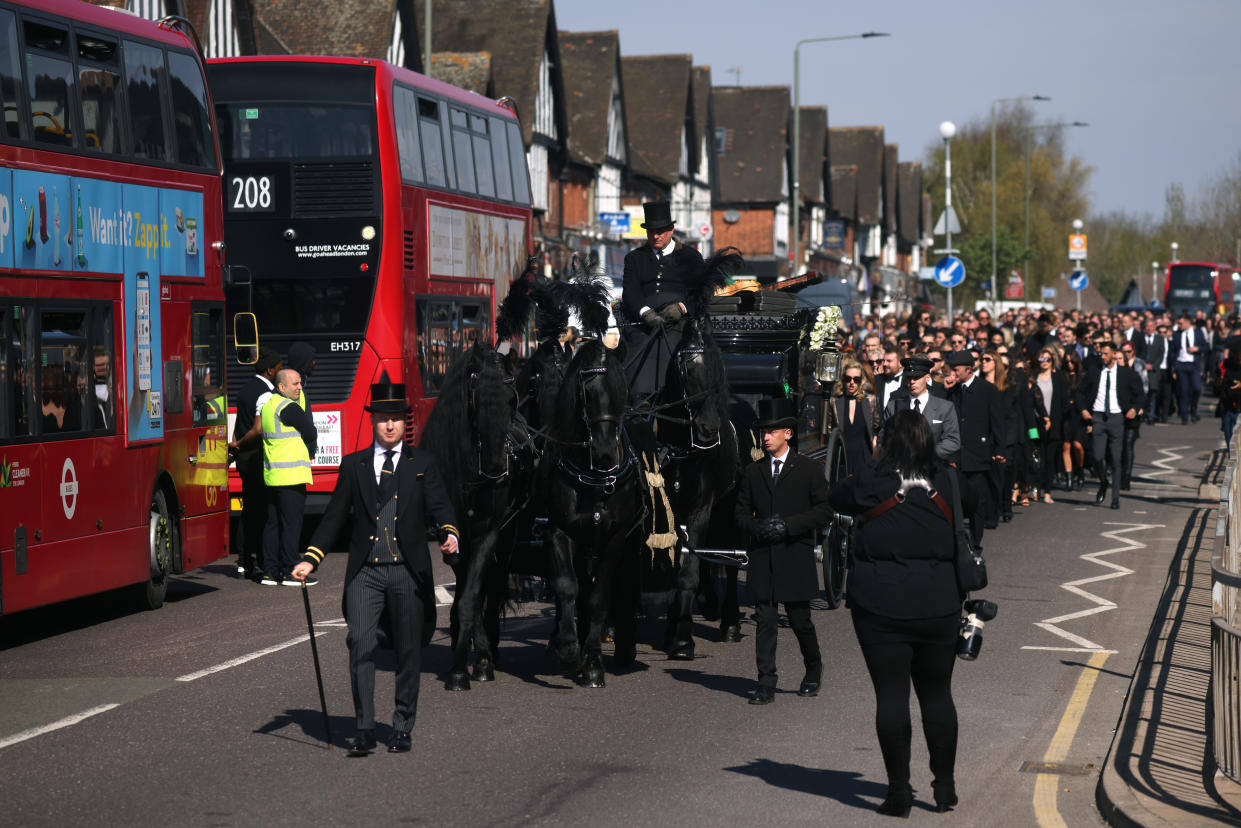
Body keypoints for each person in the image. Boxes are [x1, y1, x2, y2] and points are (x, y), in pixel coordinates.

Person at [291, 382, 459, 756]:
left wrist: (450, 533)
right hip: (365, 572)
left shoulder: (422, 464)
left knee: (407, 650)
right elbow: (334, 517)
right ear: (373, 423)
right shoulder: (355, 465)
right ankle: (365, 729)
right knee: (361, 644)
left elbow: (441, 506)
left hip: (406, 571)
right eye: (382, 419)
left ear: (404, 423)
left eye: (395, 419)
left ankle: (401, 727)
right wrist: (310, 557)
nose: (388, 426)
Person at [829, 410, 969, 817]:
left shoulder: (872, 480)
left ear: (885, 441)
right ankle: (944, 788)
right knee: (938, 694)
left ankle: (899, 792)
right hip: (939, 602)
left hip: (880, 604)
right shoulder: (945, 478)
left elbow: (836, 495)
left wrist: (874, 461)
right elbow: (972, 507)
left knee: (891, 696)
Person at [735, 398, 831, 706]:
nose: (765, 437)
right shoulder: (753, 472)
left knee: (800, 620)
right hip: (764, 557)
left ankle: (813, 669)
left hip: (794, 556)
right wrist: (757, 527)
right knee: (765, 620)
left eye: (771, 431)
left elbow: (824, 511)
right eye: (763, 432)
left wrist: (788, 526)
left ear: (787, 434)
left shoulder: (808, 470)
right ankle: (766, 682)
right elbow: (739, 514)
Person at [620, 200, 705, 402]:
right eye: (651, 232)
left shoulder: (691, 257)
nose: (656, 236)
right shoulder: (634, 258)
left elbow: (701, 293)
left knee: (679, 350)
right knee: (635, 353)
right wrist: (645, 312)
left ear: (671, 229)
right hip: (644, 324)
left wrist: (682, 307)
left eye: (660, 231)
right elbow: (630, 292)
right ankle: (638, 401)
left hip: (679, 324)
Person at [257, 369, 317, 585]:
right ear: (281, 387)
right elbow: (311, 432)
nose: (300, 387)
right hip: (291, 476)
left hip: (273, 475)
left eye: (300, 383)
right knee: (291, 525)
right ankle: (290, 570)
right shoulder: (288, 407)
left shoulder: (268, 405)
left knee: (273, 524)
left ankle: (269, 572)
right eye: (295, 384)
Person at [230, 347, 283, 579]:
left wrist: (235, 447)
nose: (281, 372)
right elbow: (257, 430)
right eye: (280, 368)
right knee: (262, 512)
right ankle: (261, 560)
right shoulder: (267, 394)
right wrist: (241, 443)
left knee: (248, 510)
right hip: (256, 458)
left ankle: (243, 561)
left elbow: (238, 423)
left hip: (243, 459)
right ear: (271, 370)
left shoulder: (245, 389)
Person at [945, 350, 1003, 547]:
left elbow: (997, 421)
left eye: (955, 370)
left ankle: (976, 542)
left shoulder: (987, 389)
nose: (952, 373)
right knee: (956, 500)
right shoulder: (951, 390)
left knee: (977, 501)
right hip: (955, 456)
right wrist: (947, 389)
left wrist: (998, 449)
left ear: (968, 369)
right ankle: (957, 540)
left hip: (978, 455)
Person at [1077, 342, 1143, 510]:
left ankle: (1115, 498)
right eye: (1101, 353)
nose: (1102, 356)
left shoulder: (1124, 373)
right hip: (1098, 417)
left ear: (1113, 354)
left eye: (1106, 353)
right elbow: (1080, 392)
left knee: (1115, 459)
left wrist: (1134, 409)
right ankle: (1103, 481)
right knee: (1097, 456)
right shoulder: (1094, 371)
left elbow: (1140, 395)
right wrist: (1084, 410)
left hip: (1116, 418)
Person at [878, 355, 960, 463]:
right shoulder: (893, 407)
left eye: (916, 377)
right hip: (901, 468)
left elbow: (953, 440)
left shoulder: (945, 407)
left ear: (927, 377)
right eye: (908, 377)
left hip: (933, 468)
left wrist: (925, 453)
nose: (912, 381)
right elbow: (883, 437)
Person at [823, 356, 876, 475]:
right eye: (848, 379)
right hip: (842, 458)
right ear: (843, 379)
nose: (852, 382)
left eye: (856, 379)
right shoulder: (835, 401)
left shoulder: (870, 400)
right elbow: (830, 429)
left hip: (864, 456)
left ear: (861, 380)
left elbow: (876, 426)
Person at [1119, 342, 1148, 490]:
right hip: (1115, 416)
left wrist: (1138, 408)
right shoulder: (1109, 375)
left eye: (1120, 358)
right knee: (1118, 448)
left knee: (1128, 445)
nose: (1117, 361)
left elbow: (1142, 392)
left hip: (1132, 416)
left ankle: (1126, 478)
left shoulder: (1133, 373)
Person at [1170, 314, 1208, 424]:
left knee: (1197, 388)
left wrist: (1197, 348)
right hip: (1181, 365)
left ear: (1188, 323)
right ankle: (1184, 416)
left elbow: (1206, 347)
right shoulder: (1177, 334)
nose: (1179, 325)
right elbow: (1172, 351)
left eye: (1181, 323)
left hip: (1194, 365)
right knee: (1183, 391)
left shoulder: (1198, 333)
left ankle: (1194, 410)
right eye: (1178, 323)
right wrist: (1174, 366)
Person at [1220, 341, 1241, 448]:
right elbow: (1223, 386)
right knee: (1228, 434)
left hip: (1239, 408)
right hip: (1229, 407)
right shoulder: (1230, 368)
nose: (1239, 360)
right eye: (1237, 358)